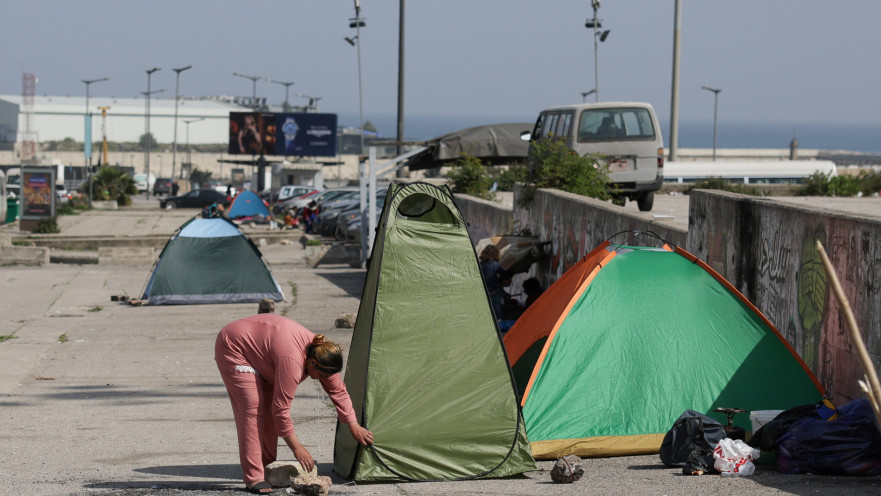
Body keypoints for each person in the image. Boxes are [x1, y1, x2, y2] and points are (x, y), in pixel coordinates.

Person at [215, 314, 373, 494]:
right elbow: (281, 410)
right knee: (253, 407)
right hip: (235, 346)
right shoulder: (292, 362)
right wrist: (297, 448)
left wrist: (353, 425)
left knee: (266, 411)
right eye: (321, 376)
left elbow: (337, 390)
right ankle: (253, 477)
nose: (322, 380)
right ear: (311, 363)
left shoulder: (323, 353)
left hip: (265, 351)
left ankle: (265, 466)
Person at [479, 244, 508, 320]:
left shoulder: (479, 265)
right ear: (496, 254)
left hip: (482, 290)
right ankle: (499, 321)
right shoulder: (495, 265)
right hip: (493, 290)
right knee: (496, 305)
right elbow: (505, 274)